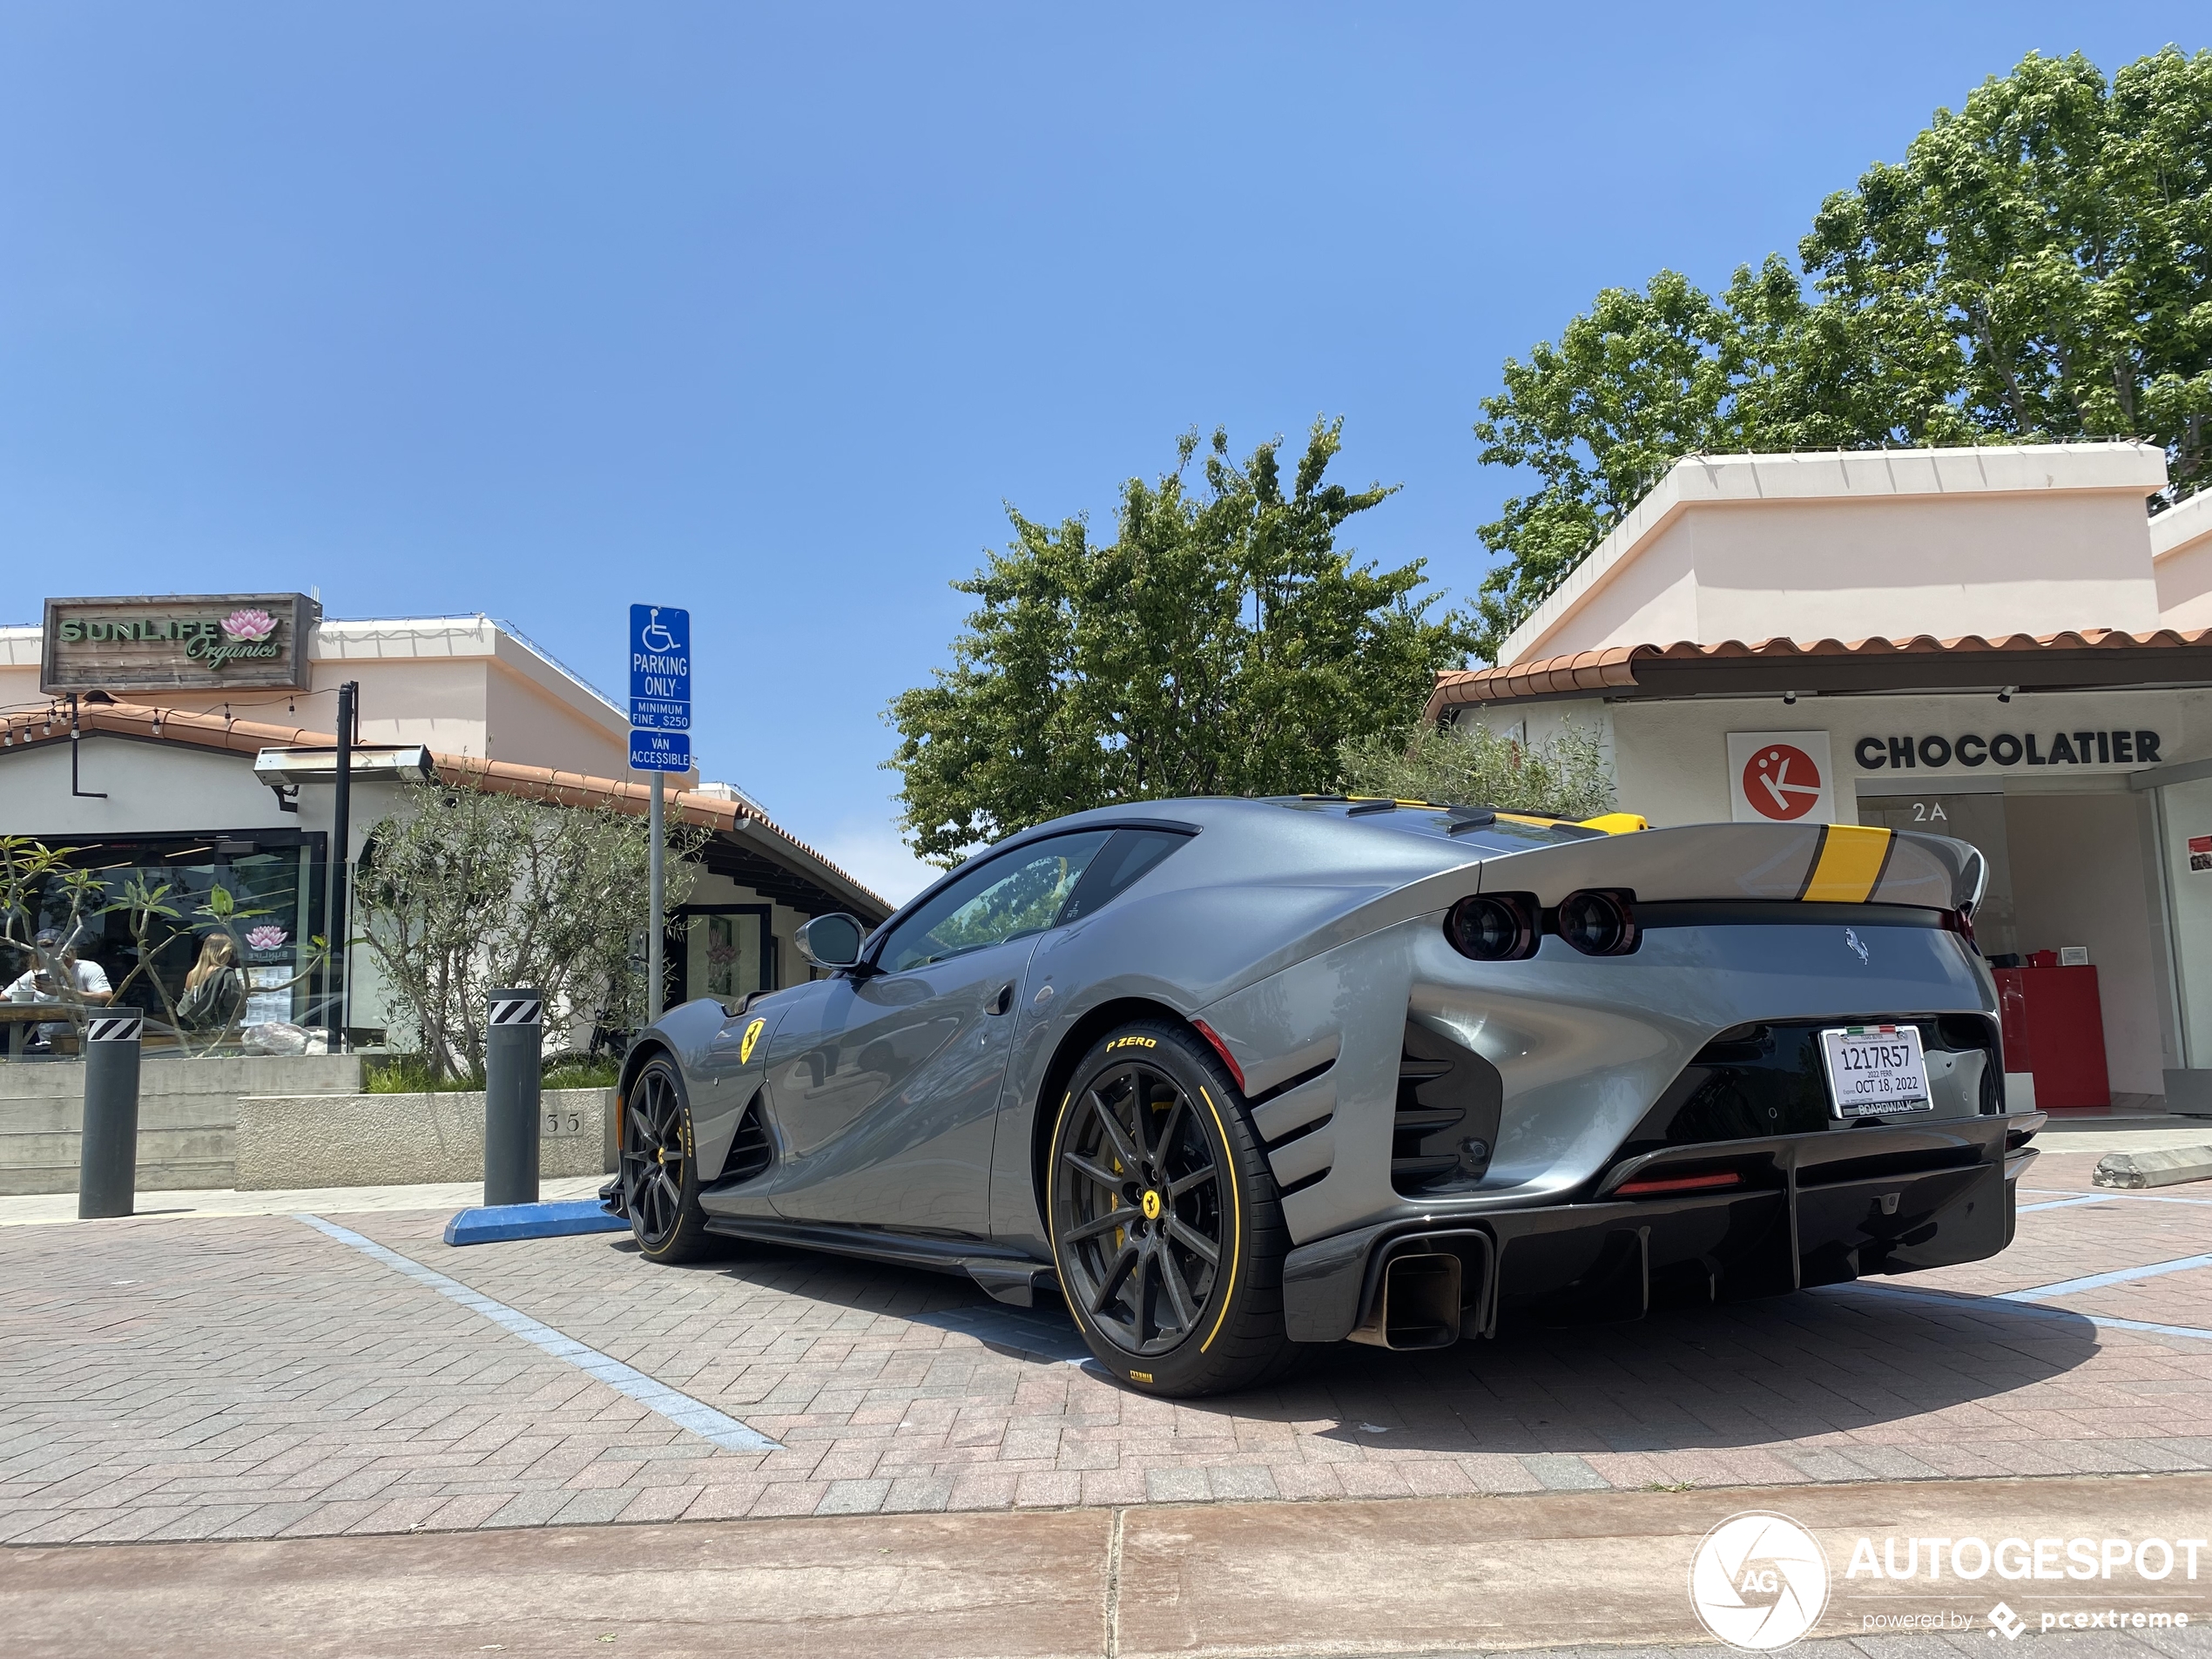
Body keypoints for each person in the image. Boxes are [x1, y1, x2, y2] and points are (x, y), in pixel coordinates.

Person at [2, 927, 114, 1049]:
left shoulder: (87, 969)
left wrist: (63, 992)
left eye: (50, 947)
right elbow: (4, 998)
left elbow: (107, 998)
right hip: (46, 1044)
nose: (45, 953)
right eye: (40, 949)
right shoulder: (34, 975)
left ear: (65, 949)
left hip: (84, 1041)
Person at [178, 934, 246, 1033]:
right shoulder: (227, 974)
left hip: (197, 1032)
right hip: (222, 1032)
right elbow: (235, 1009)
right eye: (229, 952)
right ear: (222, 953)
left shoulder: (192, 975)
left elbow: (186, 1006)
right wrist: (243, 994)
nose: (230, 956)